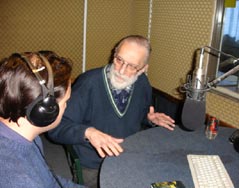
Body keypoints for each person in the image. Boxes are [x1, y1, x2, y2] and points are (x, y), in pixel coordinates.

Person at [48, 35, 176, 188]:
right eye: (119, 60)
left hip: (128, 156)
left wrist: (149, 119)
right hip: (94, 165)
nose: (121, 70)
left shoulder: (142, 84)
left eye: (131, 66)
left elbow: (136, 117)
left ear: (143, 69)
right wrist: (88, 132)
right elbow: (55, 128)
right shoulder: (88, 83)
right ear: (114, 54)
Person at [0, 52, 87, 188]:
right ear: (45, 111)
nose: (66, 107)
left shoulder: (26, 134)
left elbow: (49, 180)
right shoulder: (20, 180)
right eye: (66, 101)